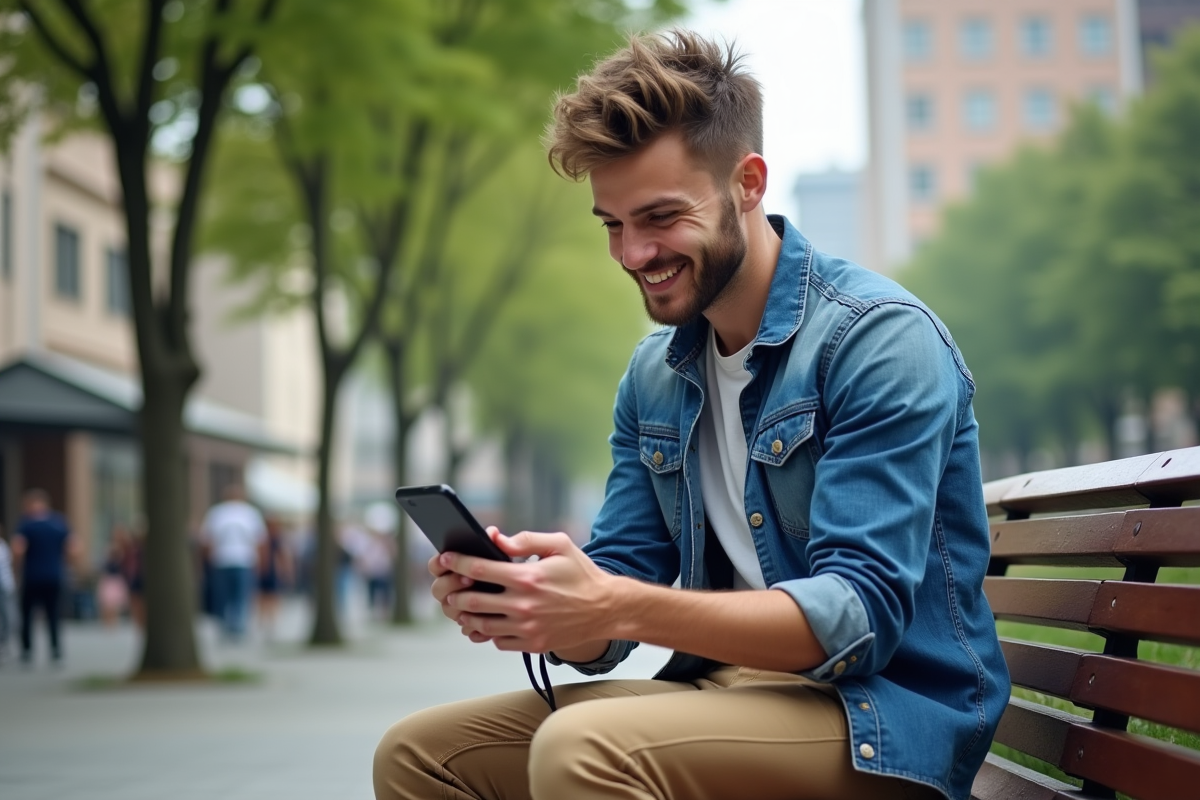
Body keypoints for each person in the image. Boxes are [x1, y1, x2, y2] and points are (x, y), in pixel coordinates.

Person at [374, 31, 1009, 800]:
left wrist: (615, 602)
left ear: (748, 183)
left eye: (660, 217)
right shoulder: (655, 377)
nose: (633, 254)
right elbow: (619, 588)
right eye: (612, 224)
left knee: (584, 748)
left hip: (884, 720)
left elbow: (857, 617)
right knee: (418, 754)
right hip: (726, 692)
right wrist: (546, 608)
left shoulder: (877, 341)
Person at [12, 488, 75, 665]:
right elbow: (74, 547)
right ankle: (55, 650)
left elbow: (18, 549)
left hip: (32, 576)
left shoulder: (26, 524)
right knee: (53, 613)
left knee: (27, 614)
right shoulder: (59, 522)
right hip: (54, 575)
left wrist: (16, 568)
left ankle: (27, 651)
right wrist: (65, 565)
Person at [200, 484, 267, 640]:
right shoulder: (248, 513)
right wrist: (261, 561)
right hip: (239, 561)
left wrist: (207, 560)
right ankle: (235, 626)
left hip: (228, 560)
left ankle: (231, 626)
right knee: (238, 595)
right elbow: (260, 541)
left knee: (227, 595)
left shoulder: (218, 513)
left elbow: (207, 540)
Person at [0, 529, 16, 662]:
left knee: (6, 616)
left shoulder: (3, 546)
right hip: (5, 585)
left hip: (4, 586)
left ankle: (3, 644)